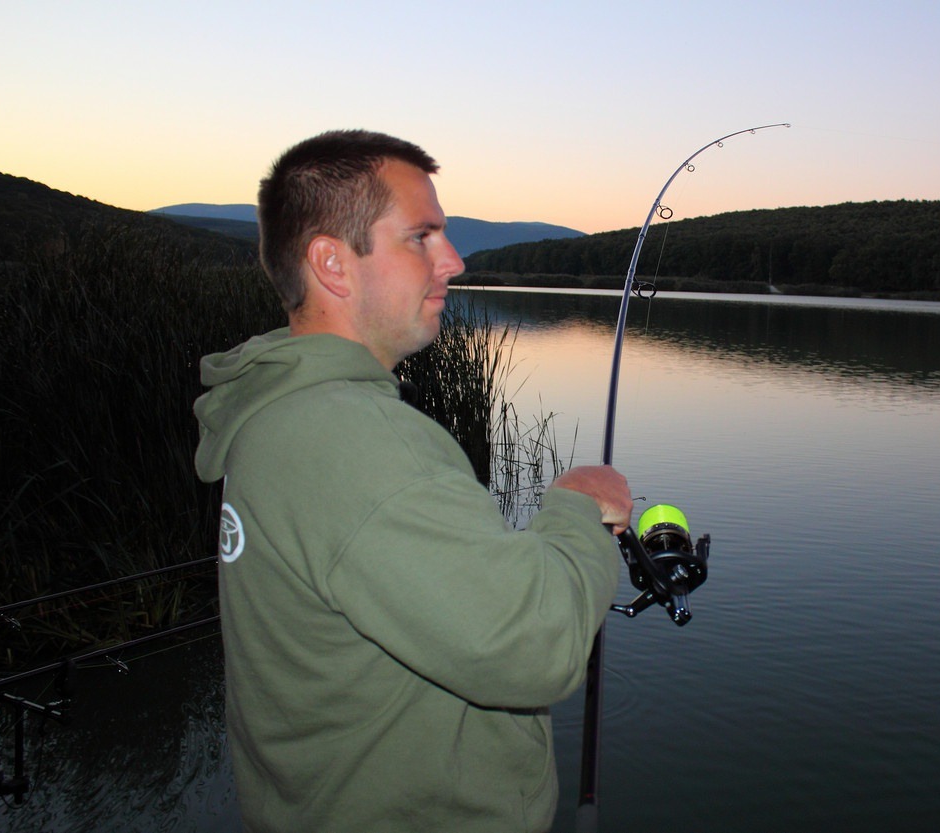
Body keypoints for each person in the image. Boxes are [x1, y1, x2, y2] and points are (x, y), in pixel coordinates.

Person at [193, 129, 632, 833]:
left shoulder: (275, 417)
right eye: (421, 238)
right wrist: (578, 507)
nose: (453, 261)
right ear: (333, 263)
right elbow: (534, 643)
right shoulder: (354, 440)